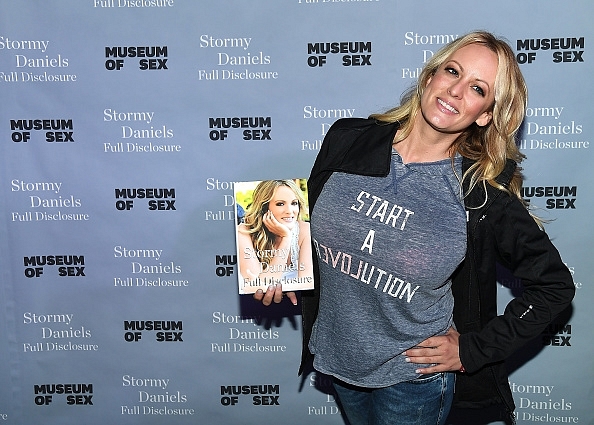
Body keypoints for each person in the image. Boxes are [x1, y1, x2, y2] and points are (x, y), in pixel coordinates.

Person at [254, 31, 575, 425]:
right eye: (452, 71)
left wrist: (472, 350)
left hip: (414, 380)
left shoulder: (480, 194)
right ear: (429, 77)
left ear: (487, 113)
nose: (456, 91)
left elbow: (555, 286)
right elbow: (312, 224)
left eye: (476, 88)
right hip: (338, 361)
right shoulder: (349, 139)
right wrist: (284, 268)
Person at [237, 179, 314, 293]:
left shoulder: (305, 230)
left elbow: (307, 284)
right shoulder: (244, 232)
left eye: (294, 203)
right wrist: (286, 239)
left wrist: (286, 237)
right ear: (264, 208)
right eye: (280, 204)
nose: (290, 211)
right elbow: (255, 290)